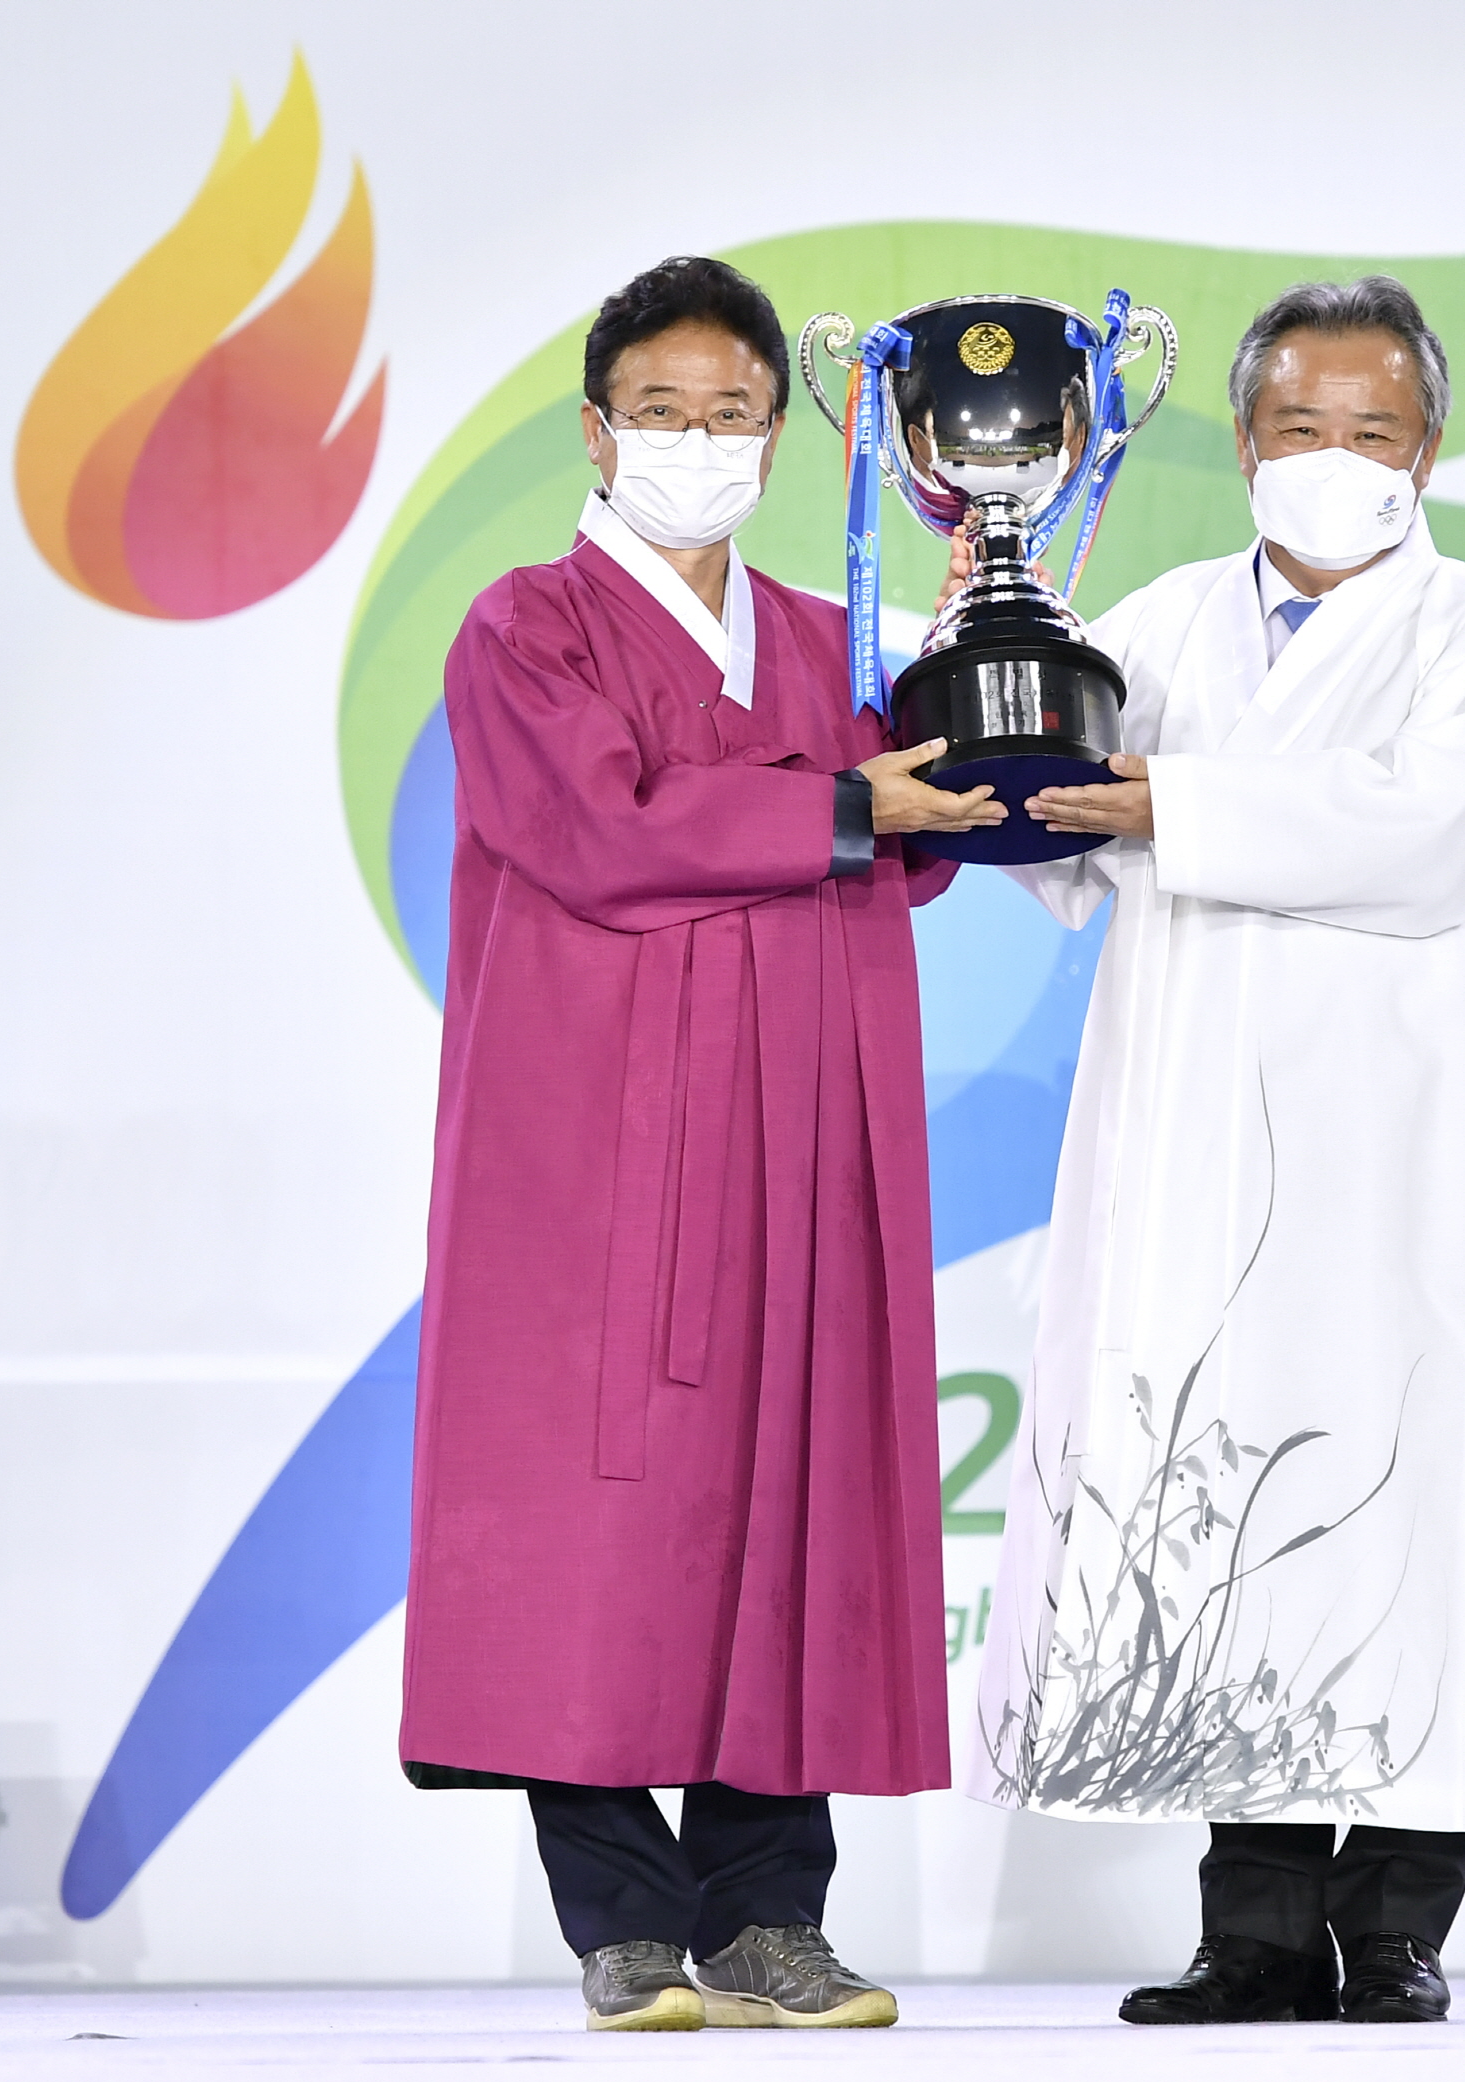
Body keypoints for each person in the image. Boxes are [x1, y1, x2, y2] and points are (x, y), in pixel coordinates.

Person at [962, 277, 1465, 2025]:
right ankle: (1252, 1925)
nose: (1338, 457)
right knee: (1227, 1495)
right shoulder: (1156, 626)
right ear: (1247, 440)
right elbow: (1054, 846)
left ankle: (1397, 1922)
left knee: (1407, 1492)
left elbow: (1429, 833)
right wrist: (990, 681)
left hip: (1405, 1138)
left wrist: (1171, 804)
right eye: (1303, 426)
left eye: (1374, 430)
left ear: (1430, 450)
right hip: (1197, 1134)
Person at [399, 256, 1002, 2033]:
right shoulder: (526, 628)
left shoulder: (827, 641)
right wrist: (839, 803)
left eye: (732, 414)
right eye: (661, 412)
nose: (696, 440)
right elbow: (602, 826)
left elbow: (917, 842)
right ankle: (623, 1917)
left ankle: (766, 1918)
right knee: (579, 1524)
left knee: (792, 1504)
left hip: (806, 1140)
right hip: (592, 1147)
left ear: (774, 441)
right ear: (598, 432)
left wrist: (970, 676)